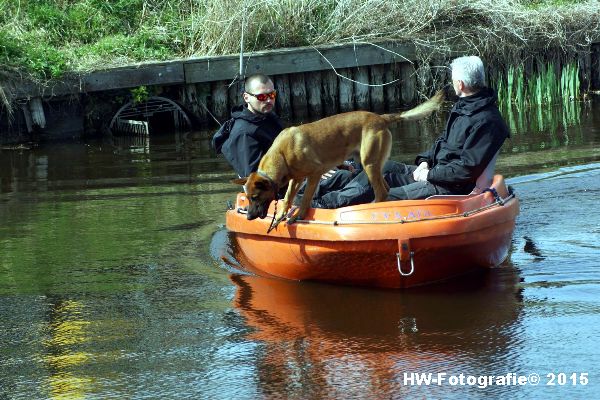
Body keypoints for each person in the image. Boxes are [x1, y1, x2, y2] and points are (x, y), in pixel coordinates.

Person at [311, 55, 510, 208]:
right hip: (435, 173)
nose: (452, 83)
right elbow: (443, 141)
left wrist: (430, 174)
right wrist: (424, 161)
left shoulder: (488, 121)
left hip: (448, 186)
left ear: (460, 84)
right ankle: (318, 198)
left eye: (453, 80)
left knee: (381, 191)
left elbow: (466, 169)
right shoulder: (464, 107)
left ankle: (324, 206)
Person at [212, 73, 283, 178]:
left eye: (272, 95)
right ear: (246, 97)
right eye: (262, 96)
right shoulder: (244, 133)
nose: (268, 100)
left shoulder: (267, 117)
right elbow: (254, 178)